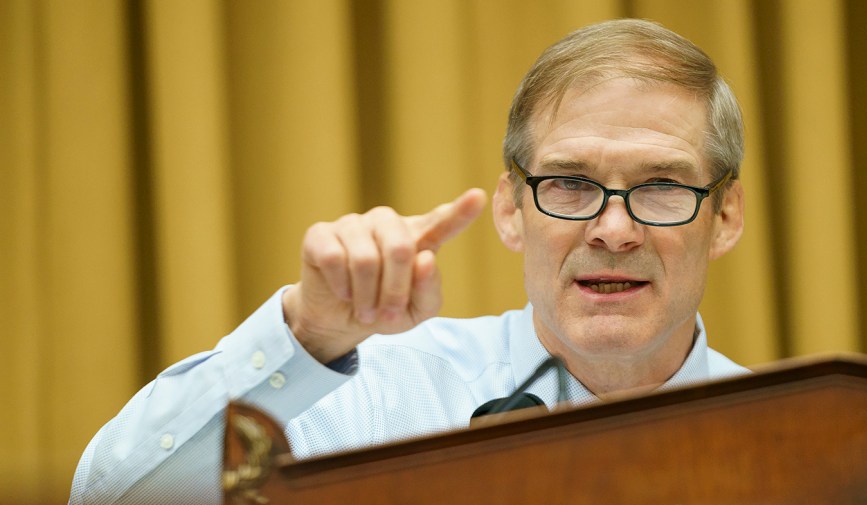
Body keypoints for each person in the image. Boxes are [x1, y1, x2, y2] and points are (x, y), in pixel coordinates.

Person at [70, 18, 746, 504]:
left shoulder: (806, 431)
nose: (613, 228)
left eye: (662, 186)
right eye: (570, 182)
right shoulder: (377, 396)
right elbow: (109, 495)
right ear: (512, 209)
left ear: (726, 215)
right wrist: (306, 335)